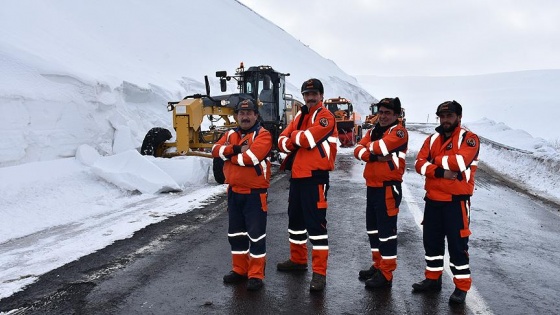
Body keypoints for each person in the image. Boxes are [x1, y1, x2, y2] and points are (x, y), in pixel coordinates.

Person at [412, 100, 480, 304]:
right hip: (433, 201)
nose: (445, 120)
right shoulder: (432, 139)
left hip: (456, 203)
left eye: (449, 116)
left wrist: (433, 161)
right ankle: (433, 280)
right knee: (431, 244)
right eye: (442, 116)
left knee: (458, 246)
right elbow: (418, 164)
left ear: (459, 117)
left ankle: (461, 287)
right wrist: (441, 170)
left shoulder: (469, 139)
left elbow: (460, 162)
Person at [276, 78, 338, 292]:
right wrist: (294, 137)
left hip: (316, 178)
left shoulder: (325, 117)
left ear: (321, 96)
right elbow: (281, 141)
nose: (310, 97)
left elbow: (308, 140)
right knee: (295, 222)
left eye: (314, 94)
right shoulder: (301, 115)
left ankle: (319, 274)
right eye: (307, 94)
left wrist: (293, 137)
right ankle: (298, 260)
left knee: (317, 226)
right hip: (298, 177)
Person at [211, 99, 273, 291]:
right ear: (236, 116)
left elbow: (251, 158)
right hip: (234, 193)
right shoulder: (230, 134)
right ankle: (240, 270)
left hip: (255, 195)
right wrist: (236, 150)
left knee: (255, 236)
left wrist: (228, 157)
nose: (245, 116)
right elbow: (215, 150)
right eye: (241, 113)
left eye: (249, 113)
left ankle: (256, 275)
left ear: (256, 115)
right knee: (236, 235)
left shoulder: (263, 135)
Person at [353, 97, 408, 289]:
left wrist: (370, 150)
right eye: (381, 112)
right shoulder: (374, 131)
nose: (383, 116)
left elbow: (380, 146)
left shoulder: (399, 132)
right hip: (373, 187)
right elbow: (357, 150)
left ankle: (386, 273)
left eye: (387, 113)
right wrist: (374, 155)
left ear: (396, 115)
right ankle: (377, 265)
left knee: (386, 233)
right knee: (373, 230)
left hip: (388, 188)